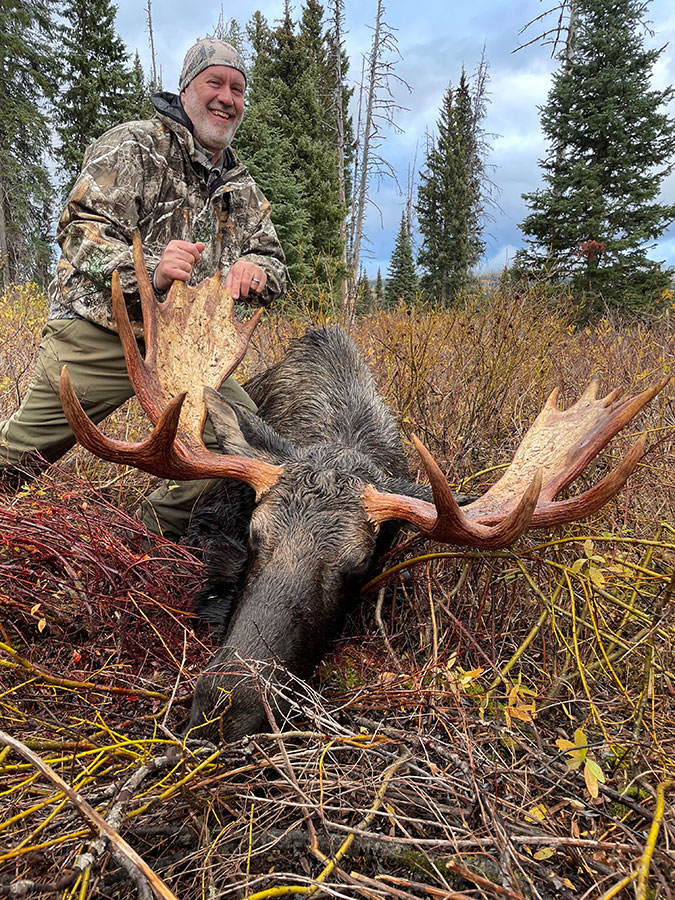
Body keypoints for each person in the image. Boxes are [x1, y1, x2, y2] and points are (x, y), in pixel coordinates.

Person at [0, 39, 287, 540]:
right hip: (100, 331)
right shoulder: (132, 146)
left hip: (185, 352)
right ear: (186, 89)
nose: (227, 97)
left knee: (242, 445)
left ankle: (143, 539)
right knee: (18, 462)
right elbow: (80, 230)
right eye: (214, 83)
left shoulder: (242, 189)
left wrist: (255, 271)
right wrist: (150, 271)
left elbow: (274, 261)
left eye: (238, 89)